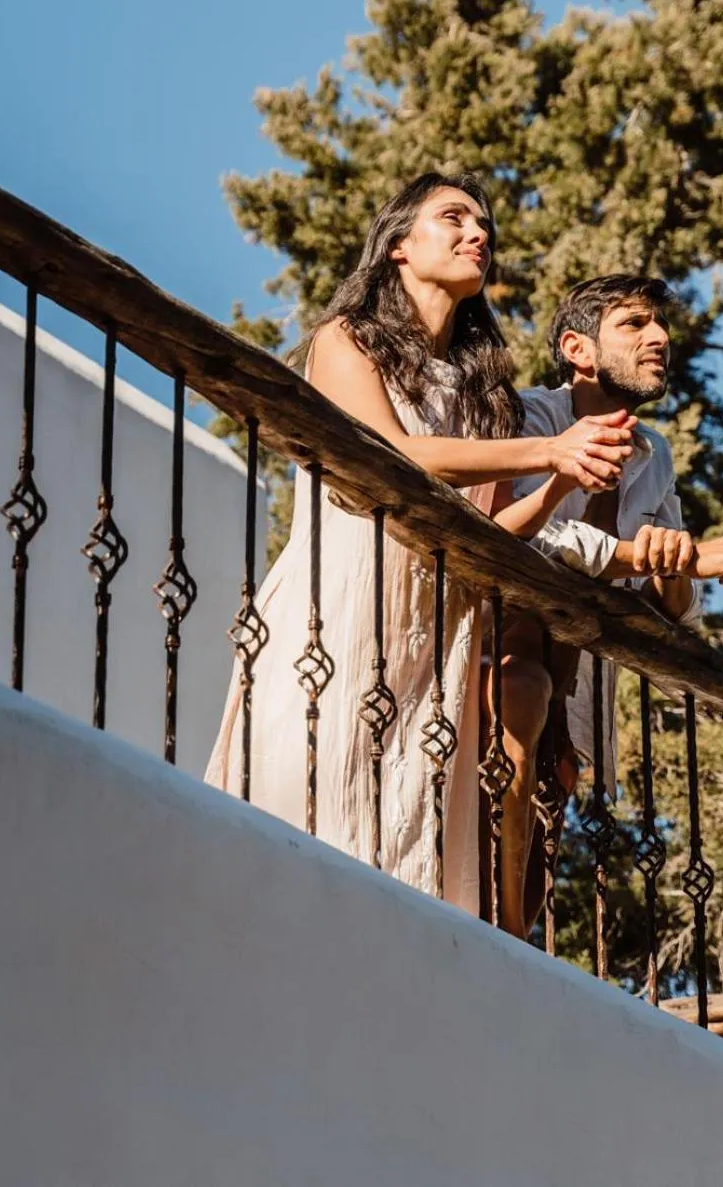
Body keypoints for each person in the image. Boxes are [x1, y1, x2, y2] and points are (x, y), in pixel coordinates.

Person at [205, 174, 637, 915]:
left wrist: (561, 486)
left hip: (435, 633)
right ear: (400, 246)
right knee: (315, 805)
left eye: (485, 224)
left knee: (408, 845)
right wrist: (550, 450)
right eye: (454, 217)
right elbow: (394, 453)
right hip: (340, 602)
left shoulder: (488, 397)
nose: (479, 233)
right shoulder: (345, 341)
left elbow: (492, 534)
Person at [490, 273, 723, 938]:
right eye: (634, 325)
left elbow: (677, 612)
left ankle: (512, 956)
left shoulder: (653, 454)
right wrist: (672, 556)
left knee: (536, 853)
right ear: (578, 350)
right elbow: (535, 532)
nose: (660, 337)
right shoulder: (528, 418)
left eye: (660, 324)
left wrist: (674, 563)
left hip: (576, 698)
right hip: (499, 663)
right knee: (484, 837)